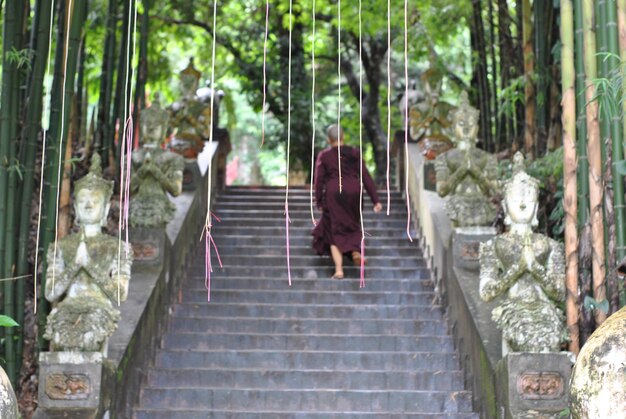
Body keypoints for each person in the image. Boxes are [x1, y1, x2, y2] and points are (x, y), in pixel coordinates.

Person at [312, 125, 382, 279]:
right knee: (352, 224)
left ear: (329, 139)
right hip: (354, 192)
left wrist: (318, 200)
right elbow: (365, 175)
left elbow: (319, 180)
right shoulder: (354, 153)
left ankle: (339, 270)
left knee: (333, 229)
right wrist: (375, 199)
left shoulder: (324, 156)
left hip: (334, 192)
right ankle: (356, 252)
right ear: (343, 137)